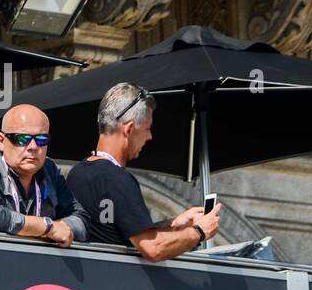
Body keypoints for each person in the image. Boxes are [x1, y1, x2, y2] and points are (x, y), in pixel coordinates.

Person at [67, 83, 220, 262]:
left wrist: (174, 225)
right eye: (147, 128)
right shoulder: (117, 179)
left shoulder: (77, 173)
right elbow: (152, 248)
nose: (150, 137)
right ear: (129, 129)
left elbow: (125, 232)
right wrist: (199, 231)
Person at [0, 104, 88, 247]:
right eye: (23, 139)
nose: (33, 147)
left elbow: (81, 219)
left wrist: (60, 229)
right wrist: (47, 227)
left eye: (41, 139)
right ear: (1, 140)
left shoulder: (50, 169)